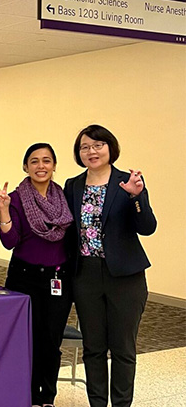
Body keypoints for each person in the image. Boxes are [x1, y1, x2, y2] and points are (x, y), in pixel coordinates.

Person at [64, 125, 156, 407]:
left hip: (125, 277)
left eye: (97, 145)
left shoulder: (128, 182)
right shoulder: (73, 185)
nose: (91, 151)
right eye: (84, 147)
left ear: (110, 147)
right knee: (93, 347)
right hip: (86, 275)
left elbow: (147, 227)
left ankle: (120, 404)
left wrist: (136, 197)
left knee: (123, 348)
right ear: (79, 154)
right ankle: (97, 403)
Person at [0, 143, 74, 407]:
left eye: (47, 161)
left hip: (57, 279)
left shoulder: (64, 197)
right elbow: (10, 241)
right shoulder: (16, 198)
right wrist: (4, 210)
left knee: (51, 341)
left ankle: (47, 398)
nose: (41, 166)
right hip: (24, 277)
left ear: (54, 166)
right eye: (35, 161)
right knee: (26, 340)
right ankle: (26, 395)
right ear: (25, 166)